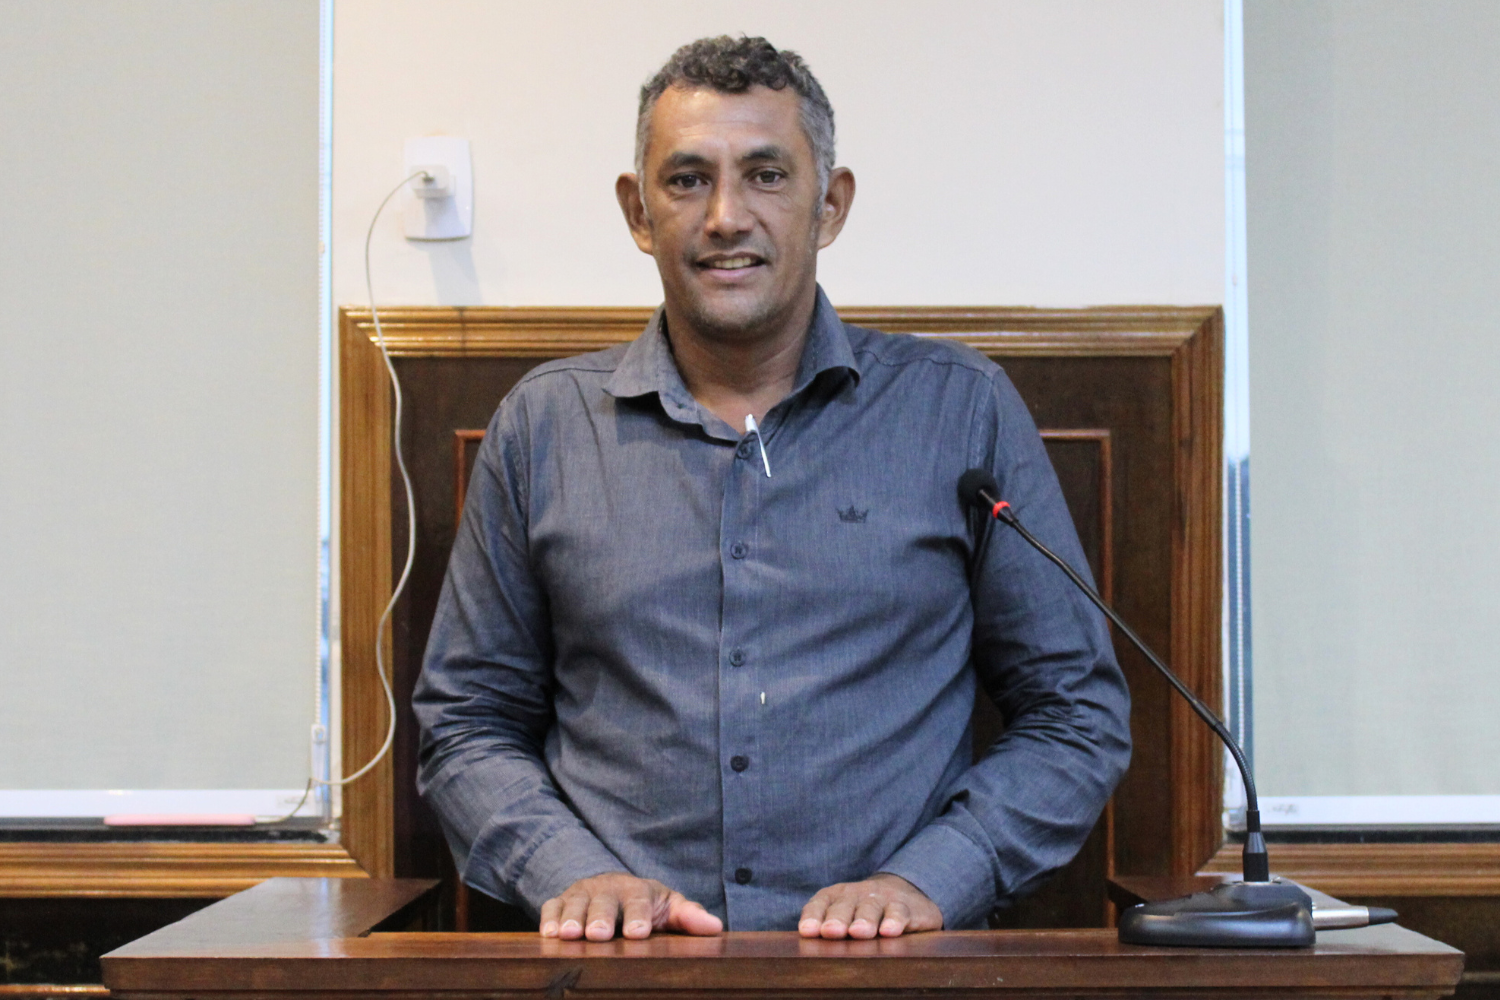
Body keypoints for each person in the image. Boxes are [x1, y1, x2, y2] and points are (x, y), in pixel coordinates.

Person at [413, 35, 1130, 943]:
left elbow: (1076, 715)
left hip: (896, 968)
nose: (725, 216)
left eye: (765, 176)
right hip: (620, 967)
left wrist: (931, 879)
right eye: (687, 180)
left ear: (830, 205)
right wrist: (573, 874)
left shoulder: (961, 412)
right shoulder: (544, 427)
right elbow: (467, 722)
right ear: (638, 212)